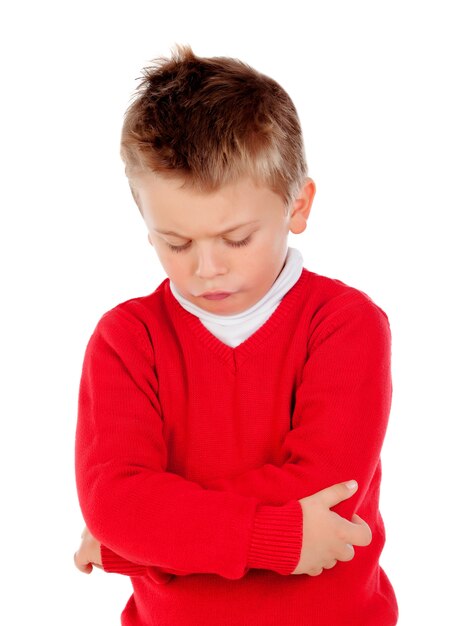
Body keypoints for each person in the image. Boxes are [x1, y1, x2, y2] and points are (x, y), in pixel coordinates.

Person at [74, 44, 399, 625]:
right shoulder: (126, 339)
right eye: (176, 243)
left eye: (237, 238)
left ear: (297, 206)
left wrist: (141, 539)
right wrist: (272, 536)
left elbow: (329, 490)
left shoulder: (346, 324)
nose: (207, 268)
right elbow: (115, 503)